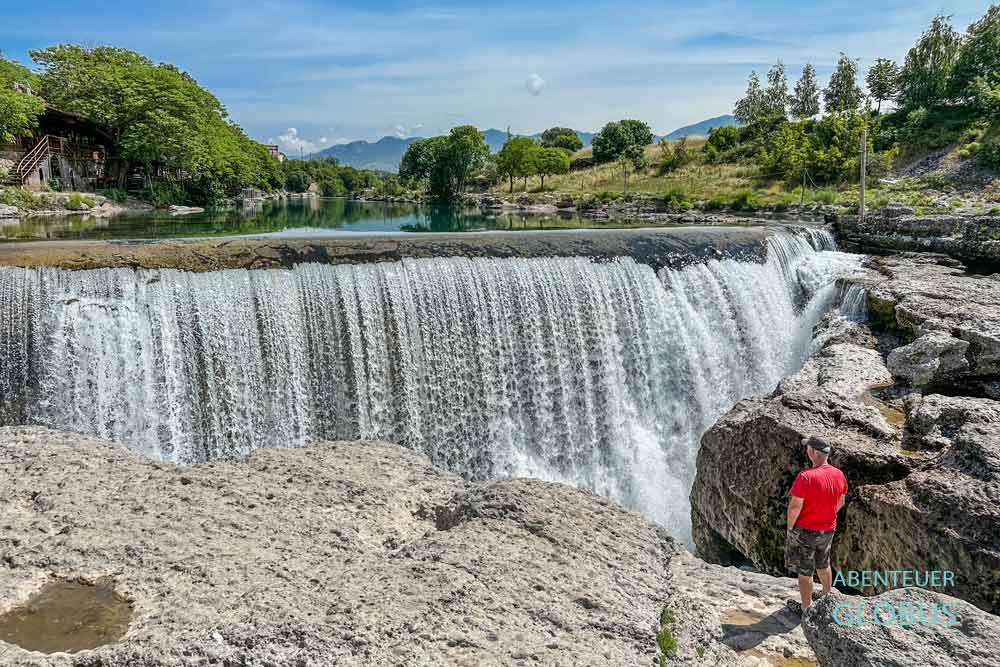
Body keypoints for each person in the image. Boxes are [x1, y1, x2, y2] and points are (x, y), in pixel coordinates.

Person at [785, 435, 848, 614]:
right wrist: (828, 514)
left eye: (808, 448)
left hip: (806, 531)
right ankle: (827, 595)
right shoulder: (838, 474)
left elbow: (795, 506)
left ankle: (806, 609)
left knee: (805, 571)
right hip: (828, 528)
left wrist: (790, 528)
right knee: (823, 562)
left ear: (812, 452)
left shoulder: (805, 477)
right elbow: (841, 500)